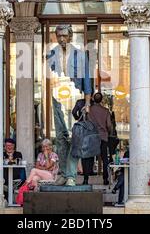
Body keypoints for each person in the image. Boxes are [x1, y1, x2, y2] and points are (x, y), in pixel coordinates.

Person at [47, 25, 93, 187]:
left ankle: (71, 175)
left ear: (70, 36)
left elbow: (87, 78)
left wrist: (87, 102)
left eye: (65, 36)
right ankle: (64, 174)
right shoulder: (51, 54)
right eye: (59, 36)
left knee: (75, 139)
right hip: (57, 99)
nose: (61, 39)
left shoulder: (80, 55)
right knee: (60, 138)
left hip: (75, 98)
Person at [87, 92, 112, 185]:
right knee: (104, 158)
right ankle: (105, 179)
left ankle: (86, 178)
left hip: (92, 136)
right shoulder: (105, 111)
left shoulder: (89, 110)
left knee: (89, 157)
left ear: (93, 99)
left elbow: (87, 122)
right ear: (101, 100)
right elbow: (109, 125)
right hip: (103, 136)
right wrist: (107, 131)